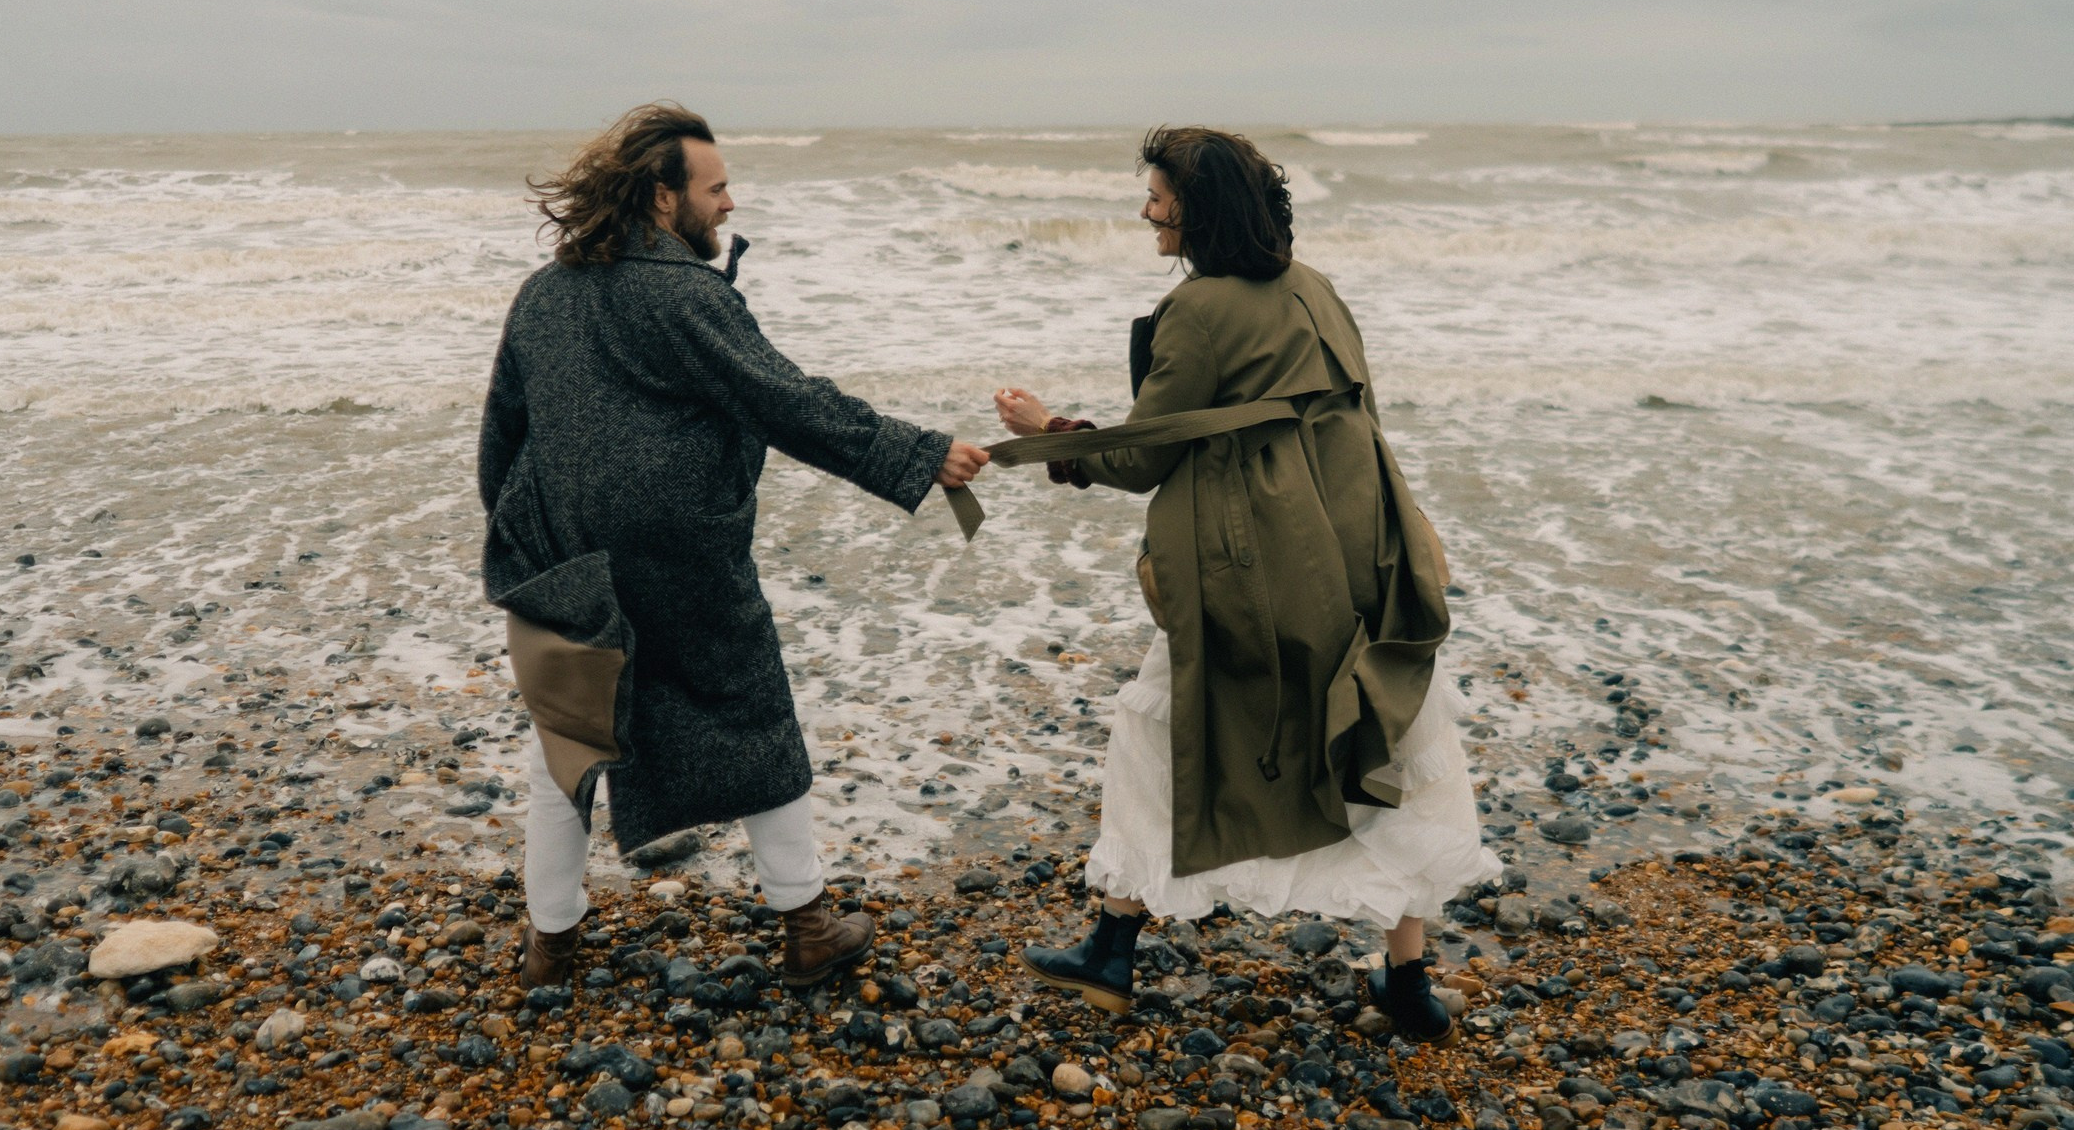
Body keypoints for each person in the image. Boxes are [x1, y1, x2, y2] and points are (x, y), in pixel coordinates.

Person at [991, 126, 1498, 1040]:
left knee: (1161, 726)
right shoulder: (1318, 289)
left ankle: (1111, 952)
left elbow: (1149, 456)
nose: (1146, 210)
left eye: (1158, 197)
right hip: (1363, 547)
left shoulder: (1199, 311)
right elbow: (1366, 421)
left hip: (1259, 565)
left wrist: (1048, 435)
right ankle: (1410, 981)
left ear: (1198, 209)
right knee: (1388, 741)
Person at [479, 102, 990, 994]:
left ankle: (548, 946)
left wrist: (533, 545)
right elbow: (787, 400)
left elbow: (501, 441)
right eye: (714, 189)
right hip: (682, 557)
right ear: (661, 195)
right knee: (750, 710)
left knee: (564, 742)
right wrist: (919, 454)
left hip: (565, 558)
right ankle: (807, 925)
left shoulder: (542, 296)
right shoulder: (681, 294)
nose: (728, 204)